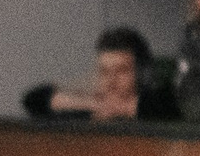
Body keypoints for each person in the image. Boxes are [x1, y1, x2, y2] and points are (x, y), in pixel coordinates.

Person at [23, 26, 180, 122]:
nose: (111, 81)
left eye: (121, 71)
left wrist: (122, 108)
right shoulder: (92, 107)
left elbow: (173, 105)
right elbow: (34, 99)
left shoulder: (159, 102)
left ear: (142, 73)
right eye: (104, 72)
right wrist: (93, 103)